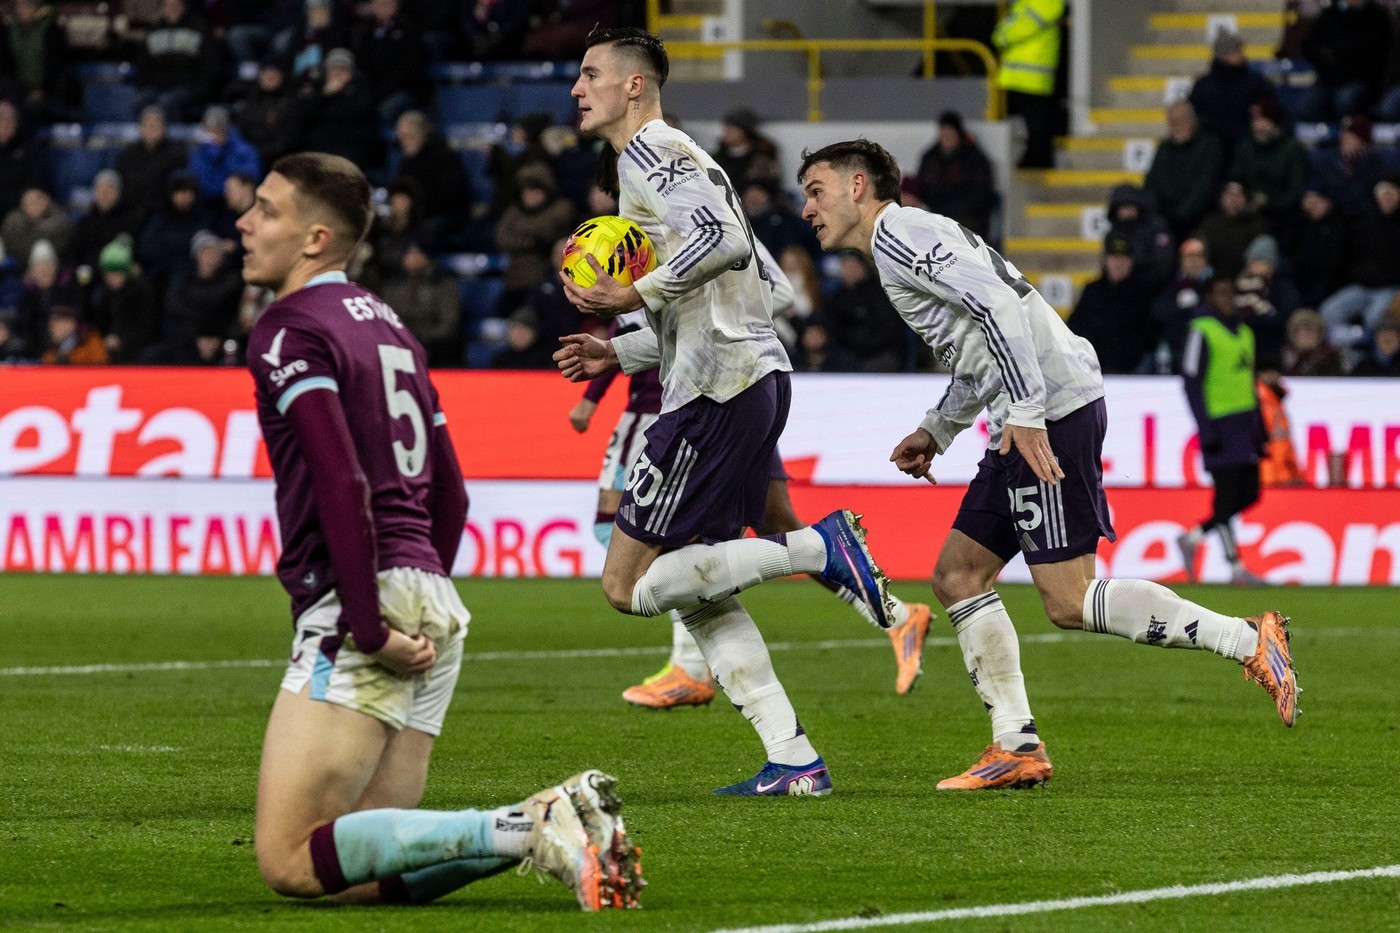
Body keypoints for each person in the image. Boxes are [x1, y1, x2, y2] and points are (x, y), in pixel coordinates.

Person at [795, 138, 1299, 792]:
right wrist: (937, 427)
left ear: (858, 185)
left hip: (1047, 413)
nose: (807, 208)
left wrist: (1028, 409)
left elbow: (999, 309)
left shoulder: (900, 235)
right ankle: (1016, 745)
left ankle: (1249, 641)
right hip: (1027, 416)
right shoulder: (905, 244)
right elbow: (978, 343)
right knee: (957, 574)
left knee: (1068, 599)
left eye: (816, 190)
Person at [238, 151, 641, 909]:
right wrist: (422, 588)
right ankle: (546, 828)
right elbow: (449, 494)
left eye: (266, 208)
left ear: (317, 238)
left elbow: (342, 481)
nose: (245, 222)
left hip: (366, 601)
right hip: (430, 593)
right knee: (359, 869)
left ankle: (532, 822)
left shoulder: (288, 330)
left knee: (290, 860)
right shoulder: (391, 326)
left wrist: (368, 622)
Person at [554, 27, 902, 797]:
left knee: (626, 584)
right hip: (734, 377)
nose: (577, 88)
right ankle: (794, 759)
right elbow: (759, 283)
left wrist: (631, 294)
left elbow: (719, 242)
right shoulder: (658, 160)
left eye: (590, 74)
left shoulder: (654, 154)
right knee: (703, 590)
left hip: (719, 391)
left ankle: (819, 549)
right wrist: (623, 350)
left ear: (634, 85)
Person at [572, 242, 932, 708]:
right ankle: (897, 615)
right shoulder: (695, 221)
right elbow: (772, 292)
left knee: (661, 539)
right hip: (744, 394)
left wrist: (702, 330)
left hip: (699, 407)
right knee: (774, 522)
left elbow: (775, 295)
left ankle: (690, 668)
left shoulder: (678, 229)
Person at [1176, 276, 1268, 586]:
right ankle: (1236, 567)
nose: (1227, 298)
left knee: (1250, 492)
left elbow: (1248, 382)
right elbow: (1191, 381)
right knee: (1226, 497)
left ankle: (1193, 537)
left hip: (1244, 424)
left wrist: (1260, 427)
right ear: (1210, 297)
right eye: (1221, 292)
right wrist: (1205, 428)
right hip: (1220, 424)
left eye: (1231, 292)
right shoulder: (1201, 331)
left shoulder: (1245, 333)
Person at [1067, 234, 1156, 374]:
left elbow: (1149, 335)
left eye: (1123, 258)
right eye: (1114, 257)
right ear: (1105, 261)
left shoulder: (1142, 293)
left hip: (1132, 371)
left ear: (1131, 262)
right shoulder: (1092, 290)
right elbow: (1075, 325)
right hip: (1094, 368)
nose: (1118, 263)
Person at [992, 0, 1064, 169]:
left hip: (1033, 76)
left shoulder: (1046, 2)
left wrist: (1001, 36)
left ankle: (1037, 162)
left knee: (1037, 124)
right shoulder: (1024, 2)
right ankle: (1033, 159)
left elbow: (1022, 26)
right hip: (1019, 75)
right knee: (1029, 123)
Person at [1144, 100, 1226, 242]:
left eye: (1181, 121)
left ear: (1192, 121)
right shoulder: (1164, 148)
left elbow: (1206, 186)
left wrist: (1180, 215)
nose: (1177, 127)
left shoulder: (1209, 145)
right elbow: (1152, 184)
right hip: (1166, 221)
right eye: (1172, 122)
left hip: (1199, 221)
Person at [912, 110, 999, 241]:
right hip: (936, 218)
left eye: (950, 133)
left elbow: (981, 195)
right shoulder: (929, 159)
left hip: (968, 220)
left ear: (958, 134)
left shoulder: (976, 160)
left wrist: (951, 214)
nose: (946, 137)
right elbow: (922, 190)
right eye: (943, 133)